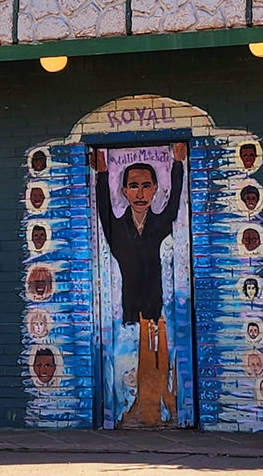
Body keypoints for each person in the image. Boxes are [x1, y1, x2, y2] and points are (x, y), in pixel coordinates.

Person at [96, 144, 187, 427]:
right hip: (128, 317)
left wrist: (178, 163)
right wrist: (101, 173)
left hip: (157, 310)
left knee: (160, 365)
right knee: (128, 369)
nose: (140, 193)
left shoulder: (160, 225)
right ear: (123, 190)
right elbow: (102, 209)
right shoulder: (117, 231)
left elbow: (173, 207)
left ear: (156, 188)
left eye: (147, 186)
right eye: (133, 186)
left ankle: (161, 411)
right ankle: (127, 412)